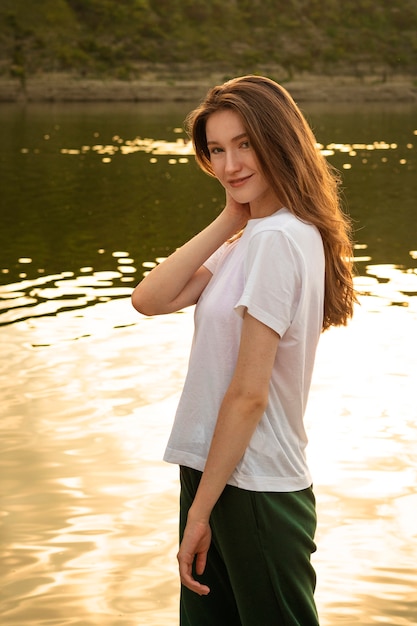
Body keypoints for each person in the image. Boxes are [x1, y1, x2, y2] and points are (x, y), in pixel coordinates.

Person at [131, 75, 356, 626]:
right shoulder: (253, 237)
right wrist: (233, 216)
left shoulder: (280, 239)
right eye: (216, 150)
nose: (230, 164)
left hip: (254, 486)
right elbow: (150, 299)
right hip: (213, 472)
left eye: (244, 144)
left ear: (278, 139)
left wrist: (201, 513)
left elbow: (249, 394)